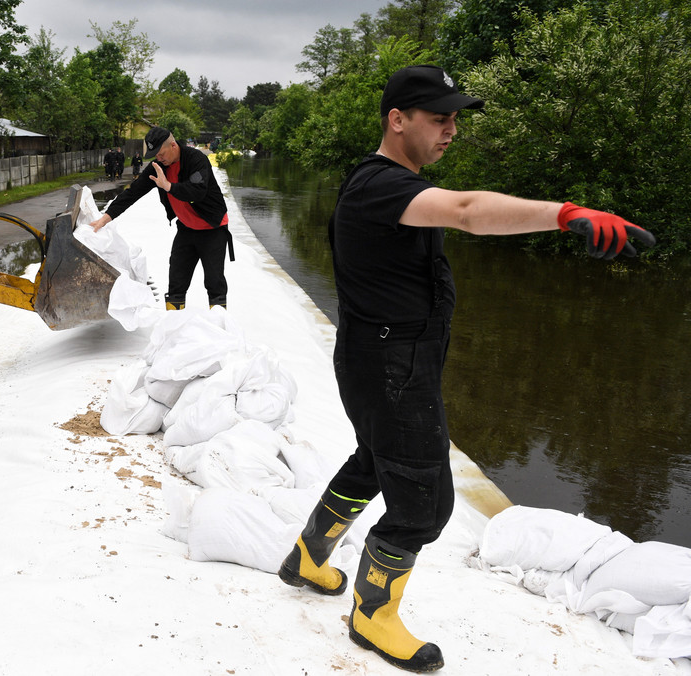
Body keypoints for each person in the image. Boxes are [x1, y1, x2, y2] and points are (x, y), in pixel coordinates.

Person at [276, 65, 655, 673]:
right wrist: (565, 214)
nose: (452, 129)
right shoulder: (381, 185)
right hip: (391, 365)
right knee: (424, 501)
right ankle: (372, 615)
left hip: (381, 358)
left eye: (456, 118)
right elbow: (472, 210)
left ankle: (307, 558)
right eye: (438, 118)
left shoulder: (392, 184)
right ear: (397, 120)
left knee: (374, 462)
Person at [88, 127, 231, 309]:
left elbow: (198, 192)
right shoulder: (159, 166)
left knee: (214, 281)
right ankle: (173, 325)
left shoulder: (196, 160)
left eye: (161, 153)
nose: (159, 158)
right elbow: (134, 191)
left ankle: (219, 326)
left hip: (213, 228)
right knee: (176, 281)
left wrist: (168, 186)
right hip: (187, 228)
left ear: (173, 145)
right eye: (155, 155)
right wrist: (106, 217)